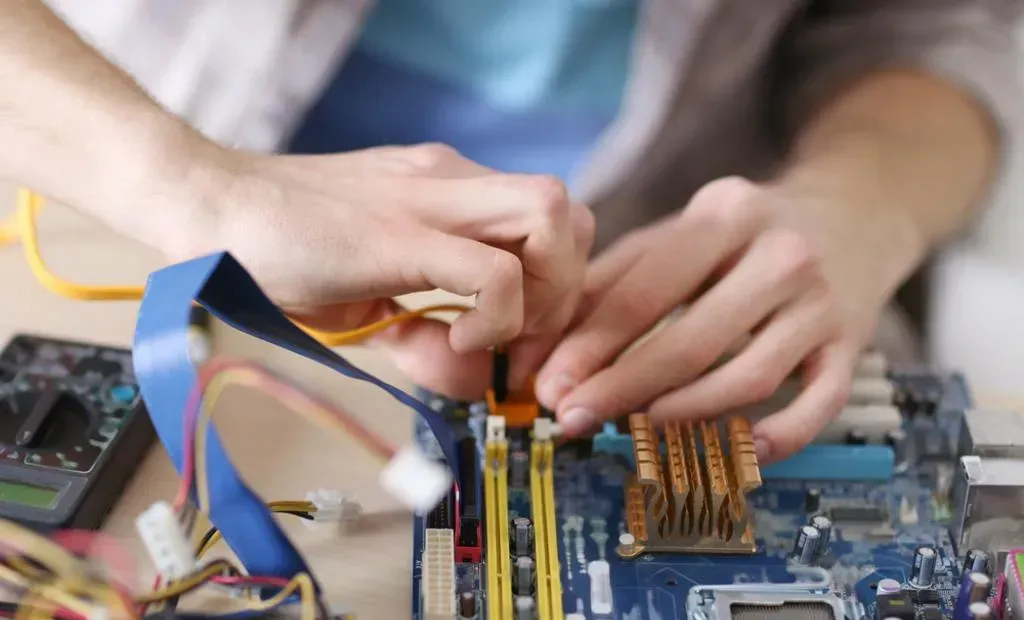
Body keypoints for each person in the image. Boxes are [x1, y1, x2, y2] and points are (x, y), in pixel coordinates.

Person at [2, 1, 1019, 463]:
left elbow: (939, 29)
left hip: (668, 297)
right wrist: (188, 183)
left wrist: (856, 206)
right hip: (102, 199)